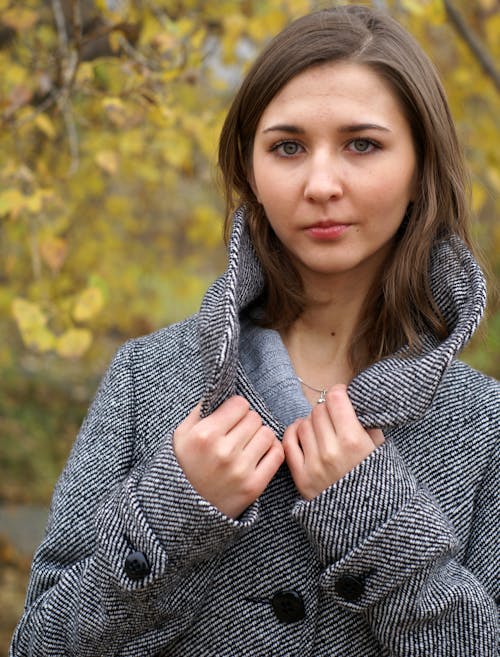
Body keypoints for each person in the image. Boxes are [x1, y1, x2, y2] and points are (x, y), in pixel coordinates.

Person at [10, 5, 498, 656]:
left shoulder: (483, 422)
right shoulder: (145, 375)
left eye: (363, 143)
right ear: (250, 173)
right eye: (288, 147)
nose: (321, 183)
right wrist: (174, 511)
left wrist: (376, 522)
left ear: (419, 169)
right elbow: (41, 642)